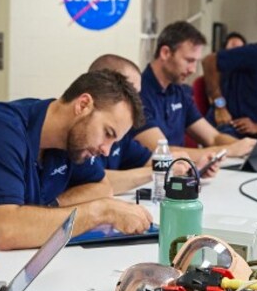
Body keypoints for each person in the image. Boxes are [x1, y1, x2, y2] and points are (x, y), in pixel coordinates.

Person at [0, 70, 154, 251]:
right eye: (108, 133)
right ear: (83, 105)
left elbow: (102, 187)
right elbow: (8, 231)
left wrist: (49, 209)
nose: (107, 151)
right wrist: (101, 211)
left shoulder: (71, 141)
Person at [86, 54, 218, 194]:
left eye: (138, 96)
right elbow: (92, 181)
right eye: (130, 95)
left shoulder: (121, 135)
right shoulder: (82, 135)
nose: (137, 104)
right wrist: (158, 171)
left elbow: (150, 160)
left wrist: (191, 169)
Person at [132, 21, 254, 160]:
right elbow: (162, 153)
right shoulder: (138, 94)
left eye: (196, 61)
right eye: (189, 60)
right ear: (165, 53)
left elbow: (213, 138)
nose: (193, 69)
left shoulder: (179, 91)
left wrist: (251, 148)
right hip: (155, 177)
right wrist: (229, 150)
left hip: (180, 173)